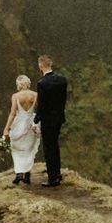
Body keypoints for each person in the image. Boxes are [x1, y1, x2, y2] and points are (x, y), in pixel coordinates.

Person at [33, 55, 67, 187]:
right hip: (58, 118)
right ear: (51, 63)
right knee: (55, 145)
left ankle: (52, 178)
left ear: (40, 65)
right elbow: (63, 100)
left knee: (48, 148)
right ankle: (57, 173)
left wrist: (36, 120)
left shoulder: (42, 83)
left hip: (47, 120)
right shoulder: (62, 80)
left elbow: (41, 105)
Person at [3, 74, 40, 184]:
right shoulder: (35, 95)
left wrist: (6, 129)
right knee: (29, 149)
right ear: (28, 83)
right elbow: (40, 110)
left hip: (19, 124)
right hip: (32, 123)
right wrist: (36, 124)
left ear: (19, 84)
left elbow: (13, 114)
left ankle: (19, 174)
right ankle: (27, 175)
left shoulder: (16, 96)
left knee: (16, 149)